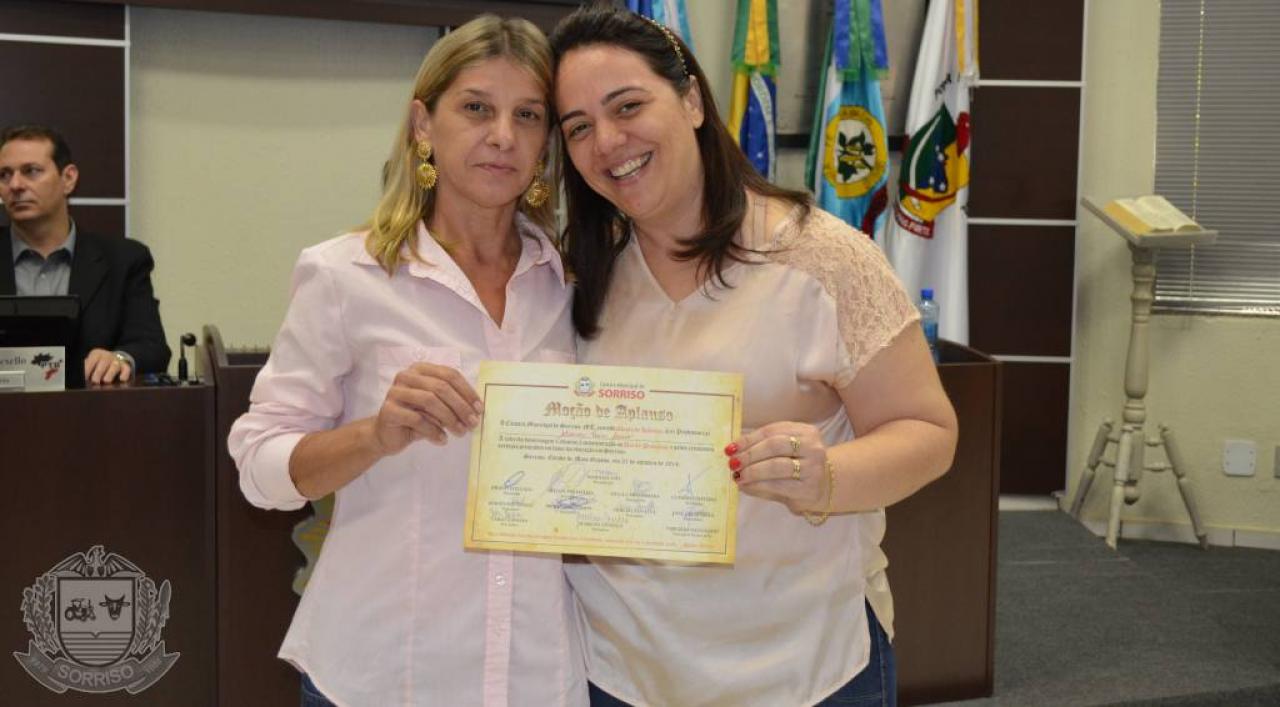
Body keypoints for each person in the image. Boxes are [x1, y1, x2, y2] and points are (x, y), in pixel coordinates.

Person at [549, 5, 959, 706]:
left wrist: (827, 476)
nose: (607, 141)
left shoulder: (822, 258)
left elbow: (930, 432)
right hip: (620, 668)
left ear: (691, 100)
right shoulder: (575, 275)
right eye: (578, 127)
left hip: (807, 667)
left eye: (628, 106)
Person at [228, 16, 585, 707]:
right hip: (383, 671)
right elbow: (259, 468)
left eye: (528, 115)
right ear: (424, 124)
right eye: (476, 107)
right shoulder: (345, 275)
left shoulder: (574, 283)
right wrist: (374, 434)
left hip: (538, 673)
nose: (503, 135)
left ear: (547, 141)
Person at [0, 124, 170, 384]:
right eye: (4, 175)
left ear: (68, 179)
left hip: (91, 407)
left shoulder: (123, 260)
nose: (15, 185)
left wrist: (120, 358)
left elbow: (152, 347)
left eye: (31, 171)